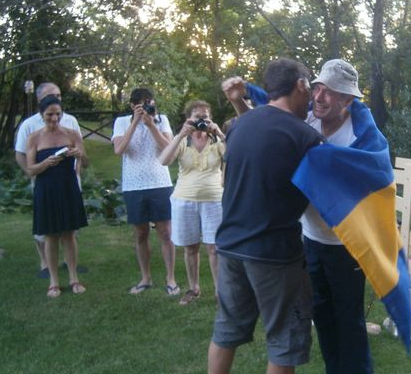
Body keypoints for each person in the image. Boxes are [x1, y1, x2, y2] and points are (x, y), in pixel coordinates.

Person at [223, 59, 373, 373]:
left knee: (350, 324)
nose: (320, 97)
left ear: (348, 100)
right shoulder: (307, 120)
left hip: (347, 246)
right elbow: (266, 128)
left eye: (331, 92)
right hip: (311, 240)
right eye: (317, 87)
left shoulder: (361, 136)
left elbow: (370, 181)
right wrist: (240, 100)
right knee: (325, 321)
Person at [207, 58, 323, 374]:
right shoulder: (305, 137)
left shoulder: (240, 125)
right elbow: (325, 194)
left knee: (226, 332)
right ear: (300, 85)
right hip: (274, 255)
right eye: (310, 87)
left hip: (230, 247)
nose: (312, 95)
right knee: (285, 342)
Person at [159, 100, 226, 305]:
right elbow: (164, 160)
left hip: (214, 199)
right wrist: (181, 133)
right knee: (190, 248)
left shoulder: (216, 141)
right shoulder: (182, 140)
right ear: (189, 118)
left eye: (205, 116)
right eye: (197, 117)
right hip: (184, 200)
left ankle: (219, 291)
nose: (202, 120)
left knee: (214, 248)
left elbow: (237, 156)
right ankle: (193, 288)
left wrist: (220, 133)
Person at [112, 88, 178, 296]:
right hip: (134, 185)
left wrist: (151, 125)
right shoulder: (122, 122)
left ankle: (170, 278)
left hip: (159, 182)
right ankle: (146, 277)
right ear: (133, 106)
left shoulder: (161, 120)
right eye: (143, 104)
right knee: (141, 233)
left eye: (150, 103)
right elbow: (119, 150)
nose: (149, 107)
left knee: (166, 232)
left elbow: (169, 149)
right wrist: (135, 123)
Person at [14, 82, 82, 278]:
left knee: (69, 230)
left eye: (59, 96)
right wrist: (35, 171)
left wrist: (77, 167)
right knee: (47, 230)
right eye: (52, 96)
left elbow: (82, 155)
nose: (54, 116)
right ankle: (47, 267)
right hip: (44, 182)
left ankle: (71, 270)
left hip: (68, 182)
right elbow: (21, 155)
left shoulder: (71, 122)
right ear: (39, 102)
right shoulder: (30, 126)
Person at [26, 95, 88, 297]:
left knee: (69, 234)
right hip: (46, 189)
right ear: (41, 114)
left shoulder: (71, 134)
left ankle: (73, 278)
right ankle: (53, 281)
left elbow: (85, 162)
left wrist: (79, 155)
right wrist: (46, 163)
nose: (54, 118)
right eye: (49, 114)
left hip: (68, 186)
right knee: (51, 235)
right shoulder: (34, 138)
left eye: (58, 114)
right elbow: (30, 170)